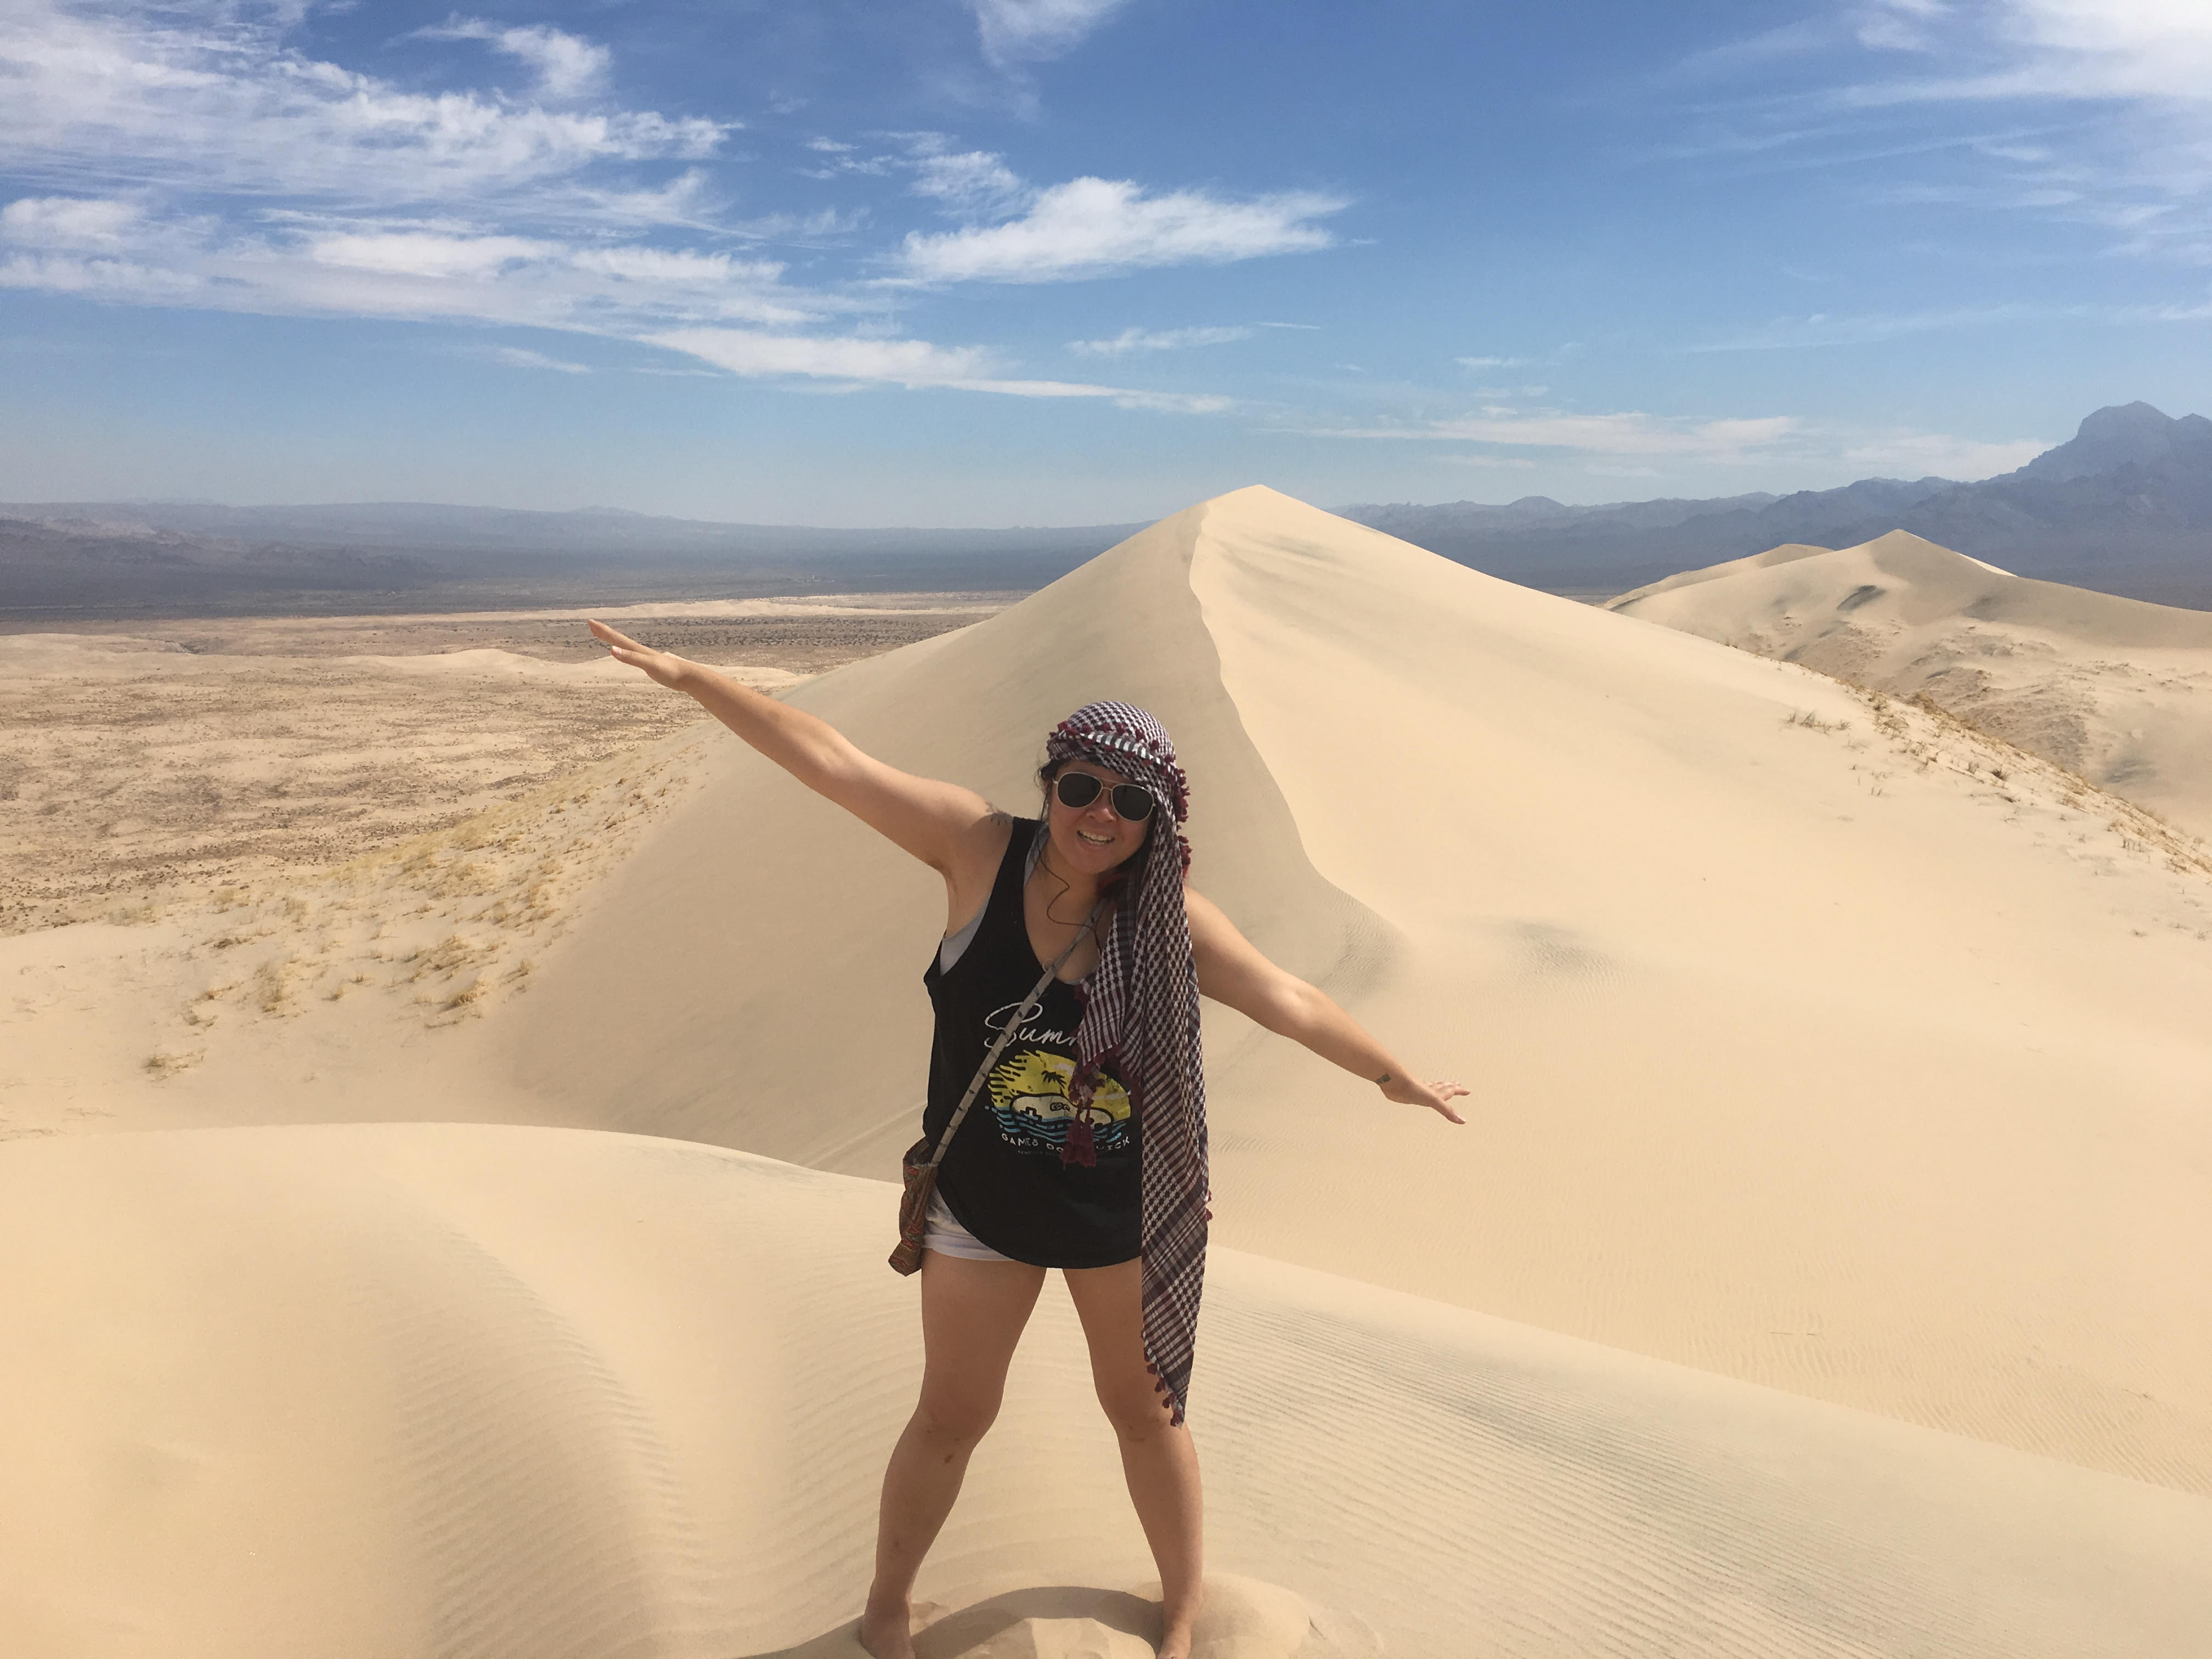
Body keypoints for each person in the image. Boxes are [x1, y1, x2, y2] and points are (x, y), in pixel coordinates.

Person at [590, 620, 1468, 1659]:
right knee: (953, 1418)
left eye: (1132, 801)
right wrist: (695, 679)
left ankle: (1183, 1607)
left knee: (1146, 1416)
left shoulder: (1168, 920)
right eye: (1083, 787)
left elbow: (1283, 994)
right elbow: (832, 761)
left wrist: (1389, 1074)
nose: (1102, 815)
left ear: (1159, 820)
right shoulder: (976, 849)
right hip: (981, 1207)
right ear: (1050, 781)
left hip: (1118, 1213)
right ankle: (887, 1601)